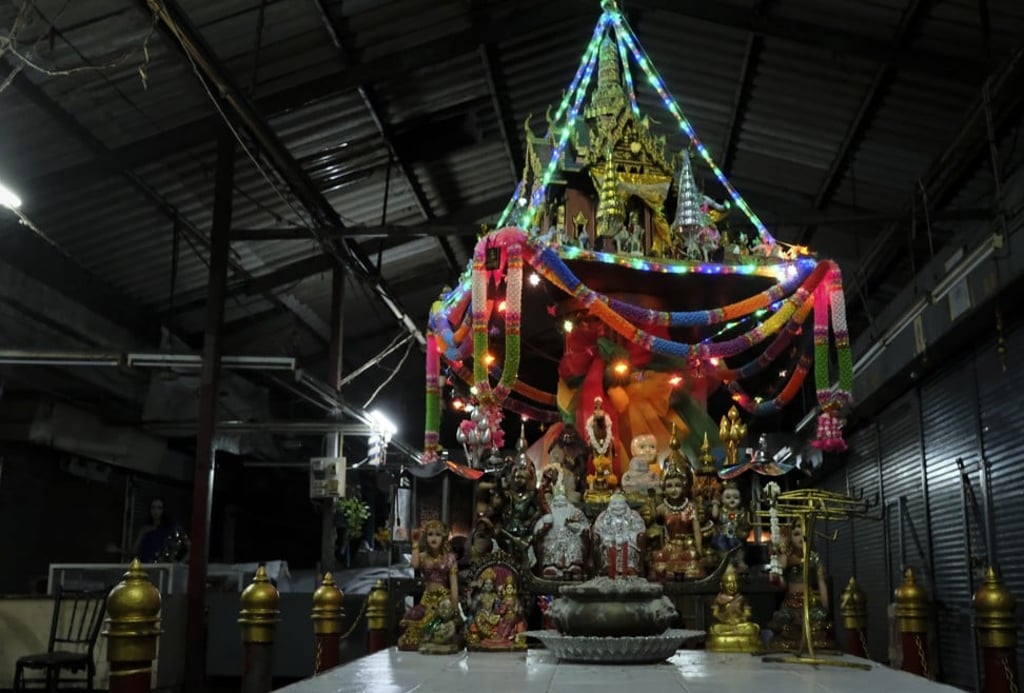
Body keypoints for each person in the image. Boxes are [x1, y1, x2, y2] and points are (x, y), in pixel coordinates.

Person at [766, 520, 834, 652]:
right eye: (796, 534)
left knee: (820, 618)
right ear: (790, 536)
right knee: (781, 618)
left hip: (809, 603)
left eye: (804, 534)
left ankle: (808, 638)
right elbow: (782, 575)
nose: (801, 539)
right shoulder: (787, 557)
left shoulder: (814, 558)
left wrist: (826, 607)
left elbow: (821, 582)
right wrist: (782, 547)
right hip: (790, 603)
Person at [398, 520, 461, 651]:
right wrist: (415, 543)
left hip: (444, 600)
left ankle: (434, 636)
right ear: (426, 538)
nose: (434, 538)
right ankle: (425, 637)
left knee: (438, 622)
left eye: (437, 534)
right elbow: (414, 565)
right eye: (430, 534)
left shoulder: (450, 558)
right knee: (414, 616)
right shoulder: (422, 557)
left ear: (443, 537)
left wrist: (454, 607)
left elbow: (454, 586)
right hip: (427, 599)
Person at [135, 497, 189, 563]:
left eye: (159, 508)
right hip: (145, 567)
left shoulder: (172, 528)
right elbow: (133, 552)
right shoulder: (144, 529)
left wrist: (180, 564)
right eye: (153, 507)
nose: (156, 511)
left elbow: (190, 548)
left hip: (163, 569)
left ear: (164, 510)